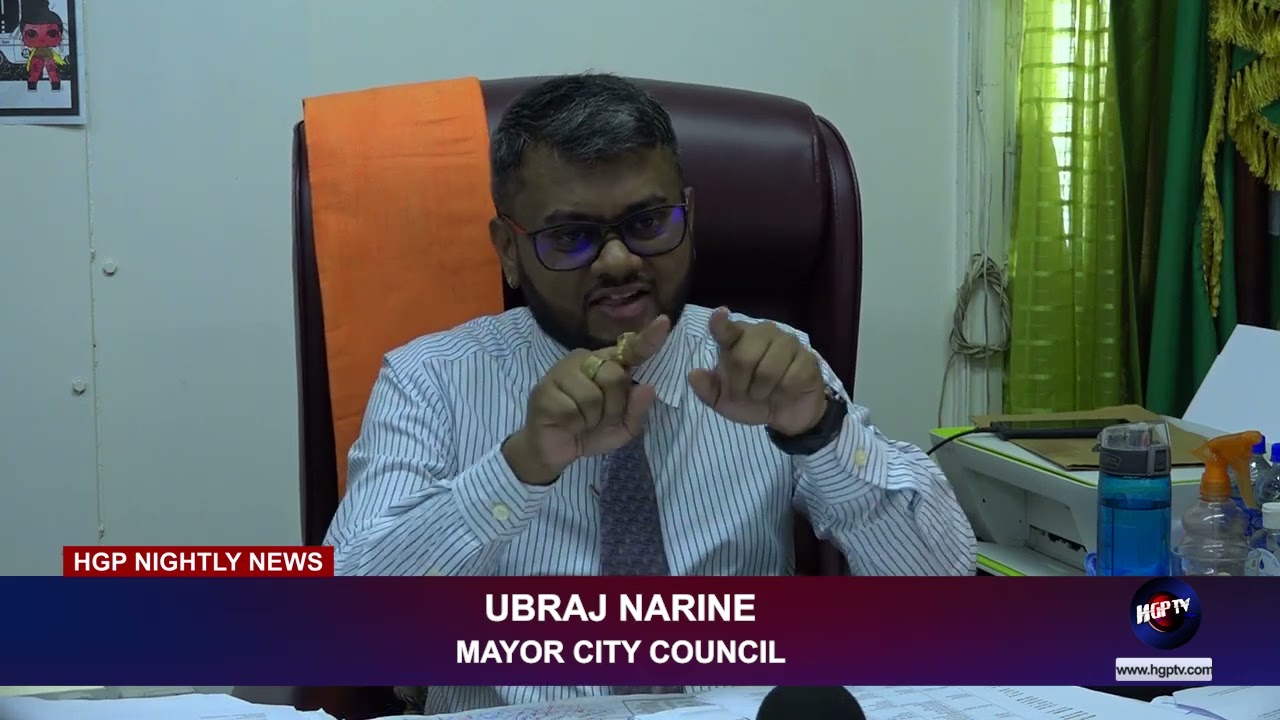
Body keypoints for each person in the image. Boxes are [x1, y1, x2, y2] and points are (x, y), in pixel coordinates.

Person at [325, 73, 976, 713]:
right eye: (570, 237)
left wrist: (821, 432)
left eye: (648, 222)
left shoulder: (772, 366)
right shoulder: (430, 379)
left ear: (689, 216)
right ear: (510, 252)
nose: (618, 262)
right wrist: (519, 467)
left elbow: (940, 592)